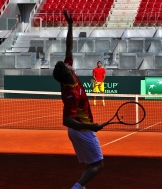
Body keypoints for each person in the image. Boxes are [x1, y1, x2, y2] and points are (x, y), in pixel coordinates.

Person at [53, 10, 106, 189]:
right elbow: (66, 119)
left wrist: (69, 25)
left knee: (91, 165)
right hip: (81, 129)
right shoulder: (71, 94)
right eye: (68, 65)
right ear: (68, 72)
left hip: (81, 129)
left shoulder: (68, 74)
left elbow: (69, 48)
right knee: (98, 165)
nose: (69, 63)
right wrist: (92, 126)